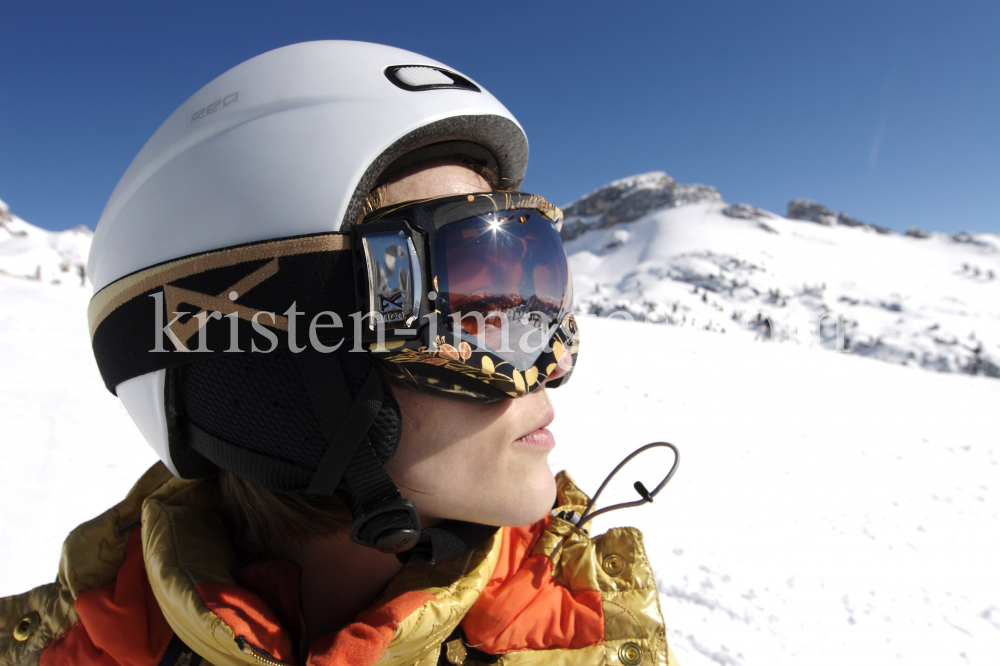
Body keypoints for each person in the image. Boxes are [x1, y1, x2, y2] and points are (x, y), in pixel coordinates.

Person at [0, 41, 678, 666]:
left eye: (536, 289)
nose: (548, 360)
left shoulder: (587, 634)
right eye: (471, 302)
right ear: (263, 376)